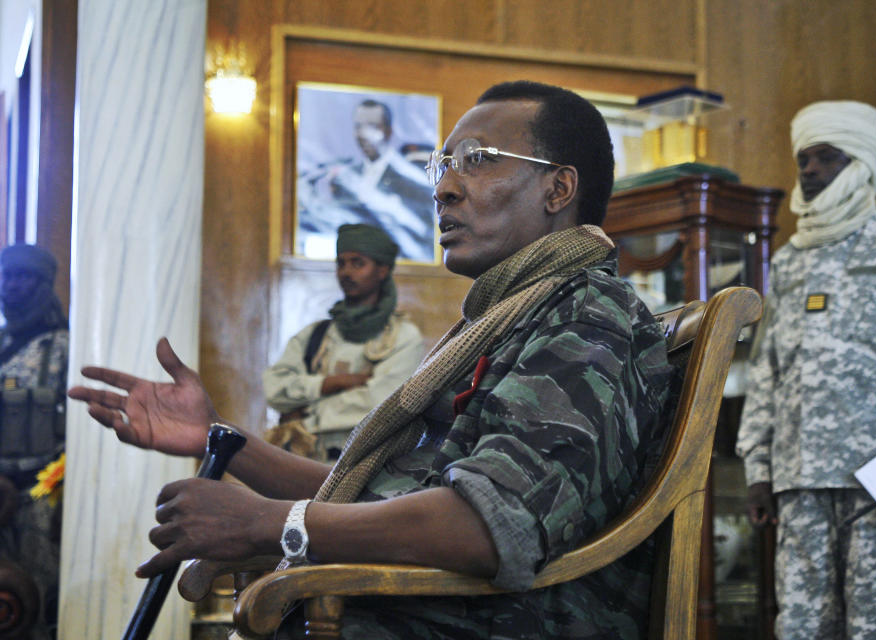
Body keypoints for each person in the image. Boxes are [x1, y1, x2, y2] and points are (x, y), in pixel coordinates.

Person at [68, 80, 673, 639]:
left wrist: (272, 523)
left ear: (558, 189)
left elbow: (491, 524)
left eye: (477, 160)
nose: (443, 186)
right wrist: (219, 437)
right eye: (443, 163)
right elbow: (378, 490)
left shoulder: (589, 315)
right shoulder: (503, 321)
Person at [735, 100, 876, 639]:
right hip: (801, 483)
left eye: (826, 158)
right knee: (801, 629)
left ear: (859, 163)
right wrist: (758, 471)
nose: (808, 170)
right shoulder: (788, 261)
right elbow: (767, 371)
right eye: (804, 159)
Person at [262, 223, 424, 461]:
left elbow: (380, 403)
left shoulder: (403, 337)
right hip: (303, 463)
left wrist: (305, 414)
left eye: (358, 263)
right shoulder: (315, 335)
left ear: (382, 270)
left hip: (367, 470)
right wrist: (330, 383)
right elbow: (274, 389)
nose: (346, 272)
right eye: (341, 263)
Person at [0, 244, 69, 640]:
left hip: (42, 496)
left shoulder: (62, 347)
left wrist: (50, 487)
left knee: (38, 601)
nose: (13, 286)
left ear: (43, 284)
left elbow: (80, 432)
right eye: (8, 276)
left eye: (24, 277)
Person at [301, 99, 437, 262]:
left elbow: (421, 237)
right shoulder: (343, 180)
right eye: (359, 126)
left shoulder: (411, 180)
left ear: (388, 131)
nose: (364, 135)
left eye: (373, 126)